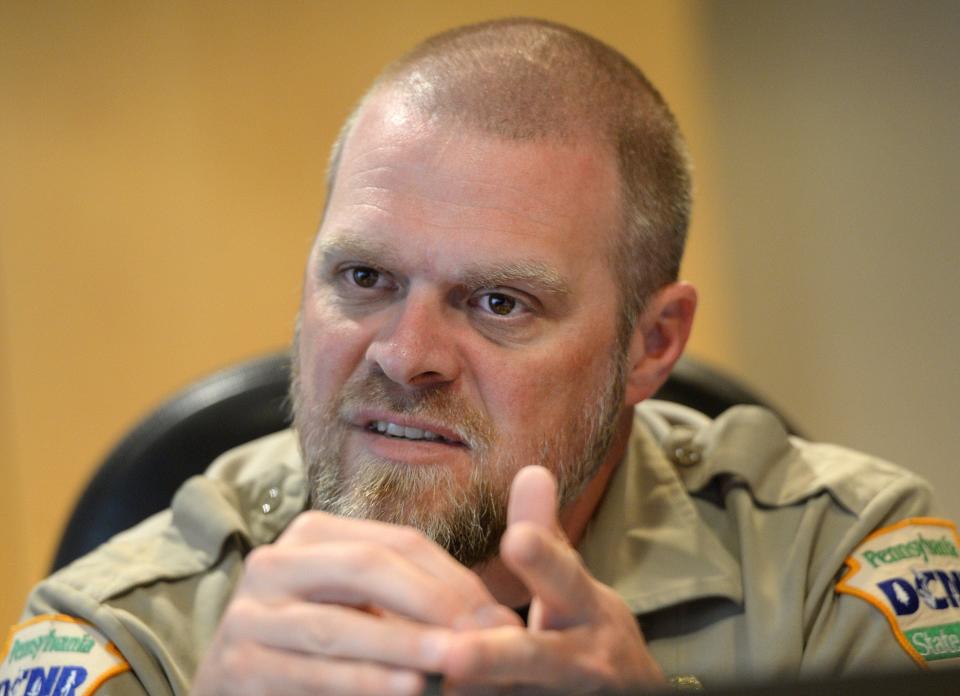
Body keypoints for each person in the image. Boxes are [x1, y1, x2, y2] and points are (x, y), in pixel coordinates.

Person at [4, 17, 959, 696]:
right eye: (365, 278)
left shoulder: (838, 566)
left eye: (499, 301)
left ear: (651, 344)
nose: (407, 355)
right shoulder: (128, 631)